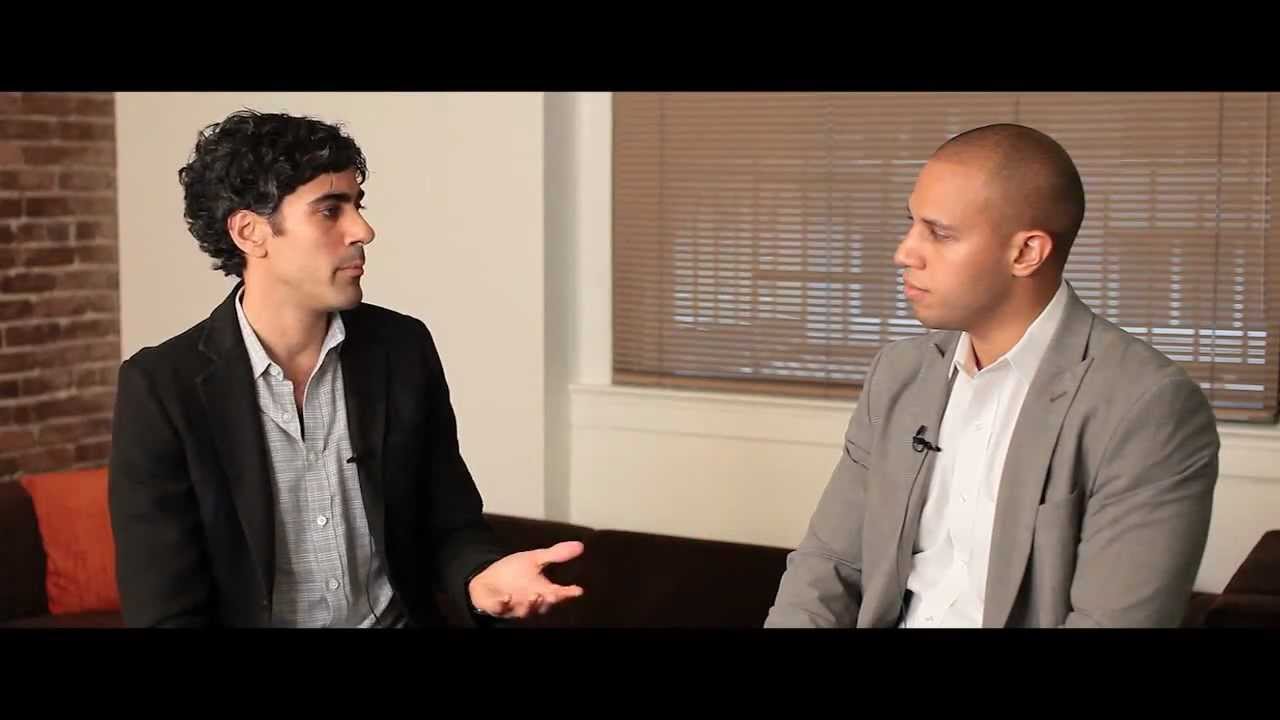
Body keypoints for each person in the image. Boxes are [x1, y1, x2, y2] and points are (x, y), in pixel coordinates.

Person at [107, 109, 584, 627]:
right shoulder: (161, 388)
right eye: (330, 210)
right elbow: (165, 611)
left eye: (357, 205)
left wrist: (480, 578)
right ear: (250, 232)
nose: (364, 230)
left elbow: (450, 522)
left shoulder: (402, 348)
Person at [765, 123, 1219, 628]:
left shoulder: (1148, 406)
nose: (904, 253)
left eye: (939, 233)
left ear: (1026, 253)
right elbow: (828, 566)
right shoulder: (899, 373)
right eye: (912, 224)